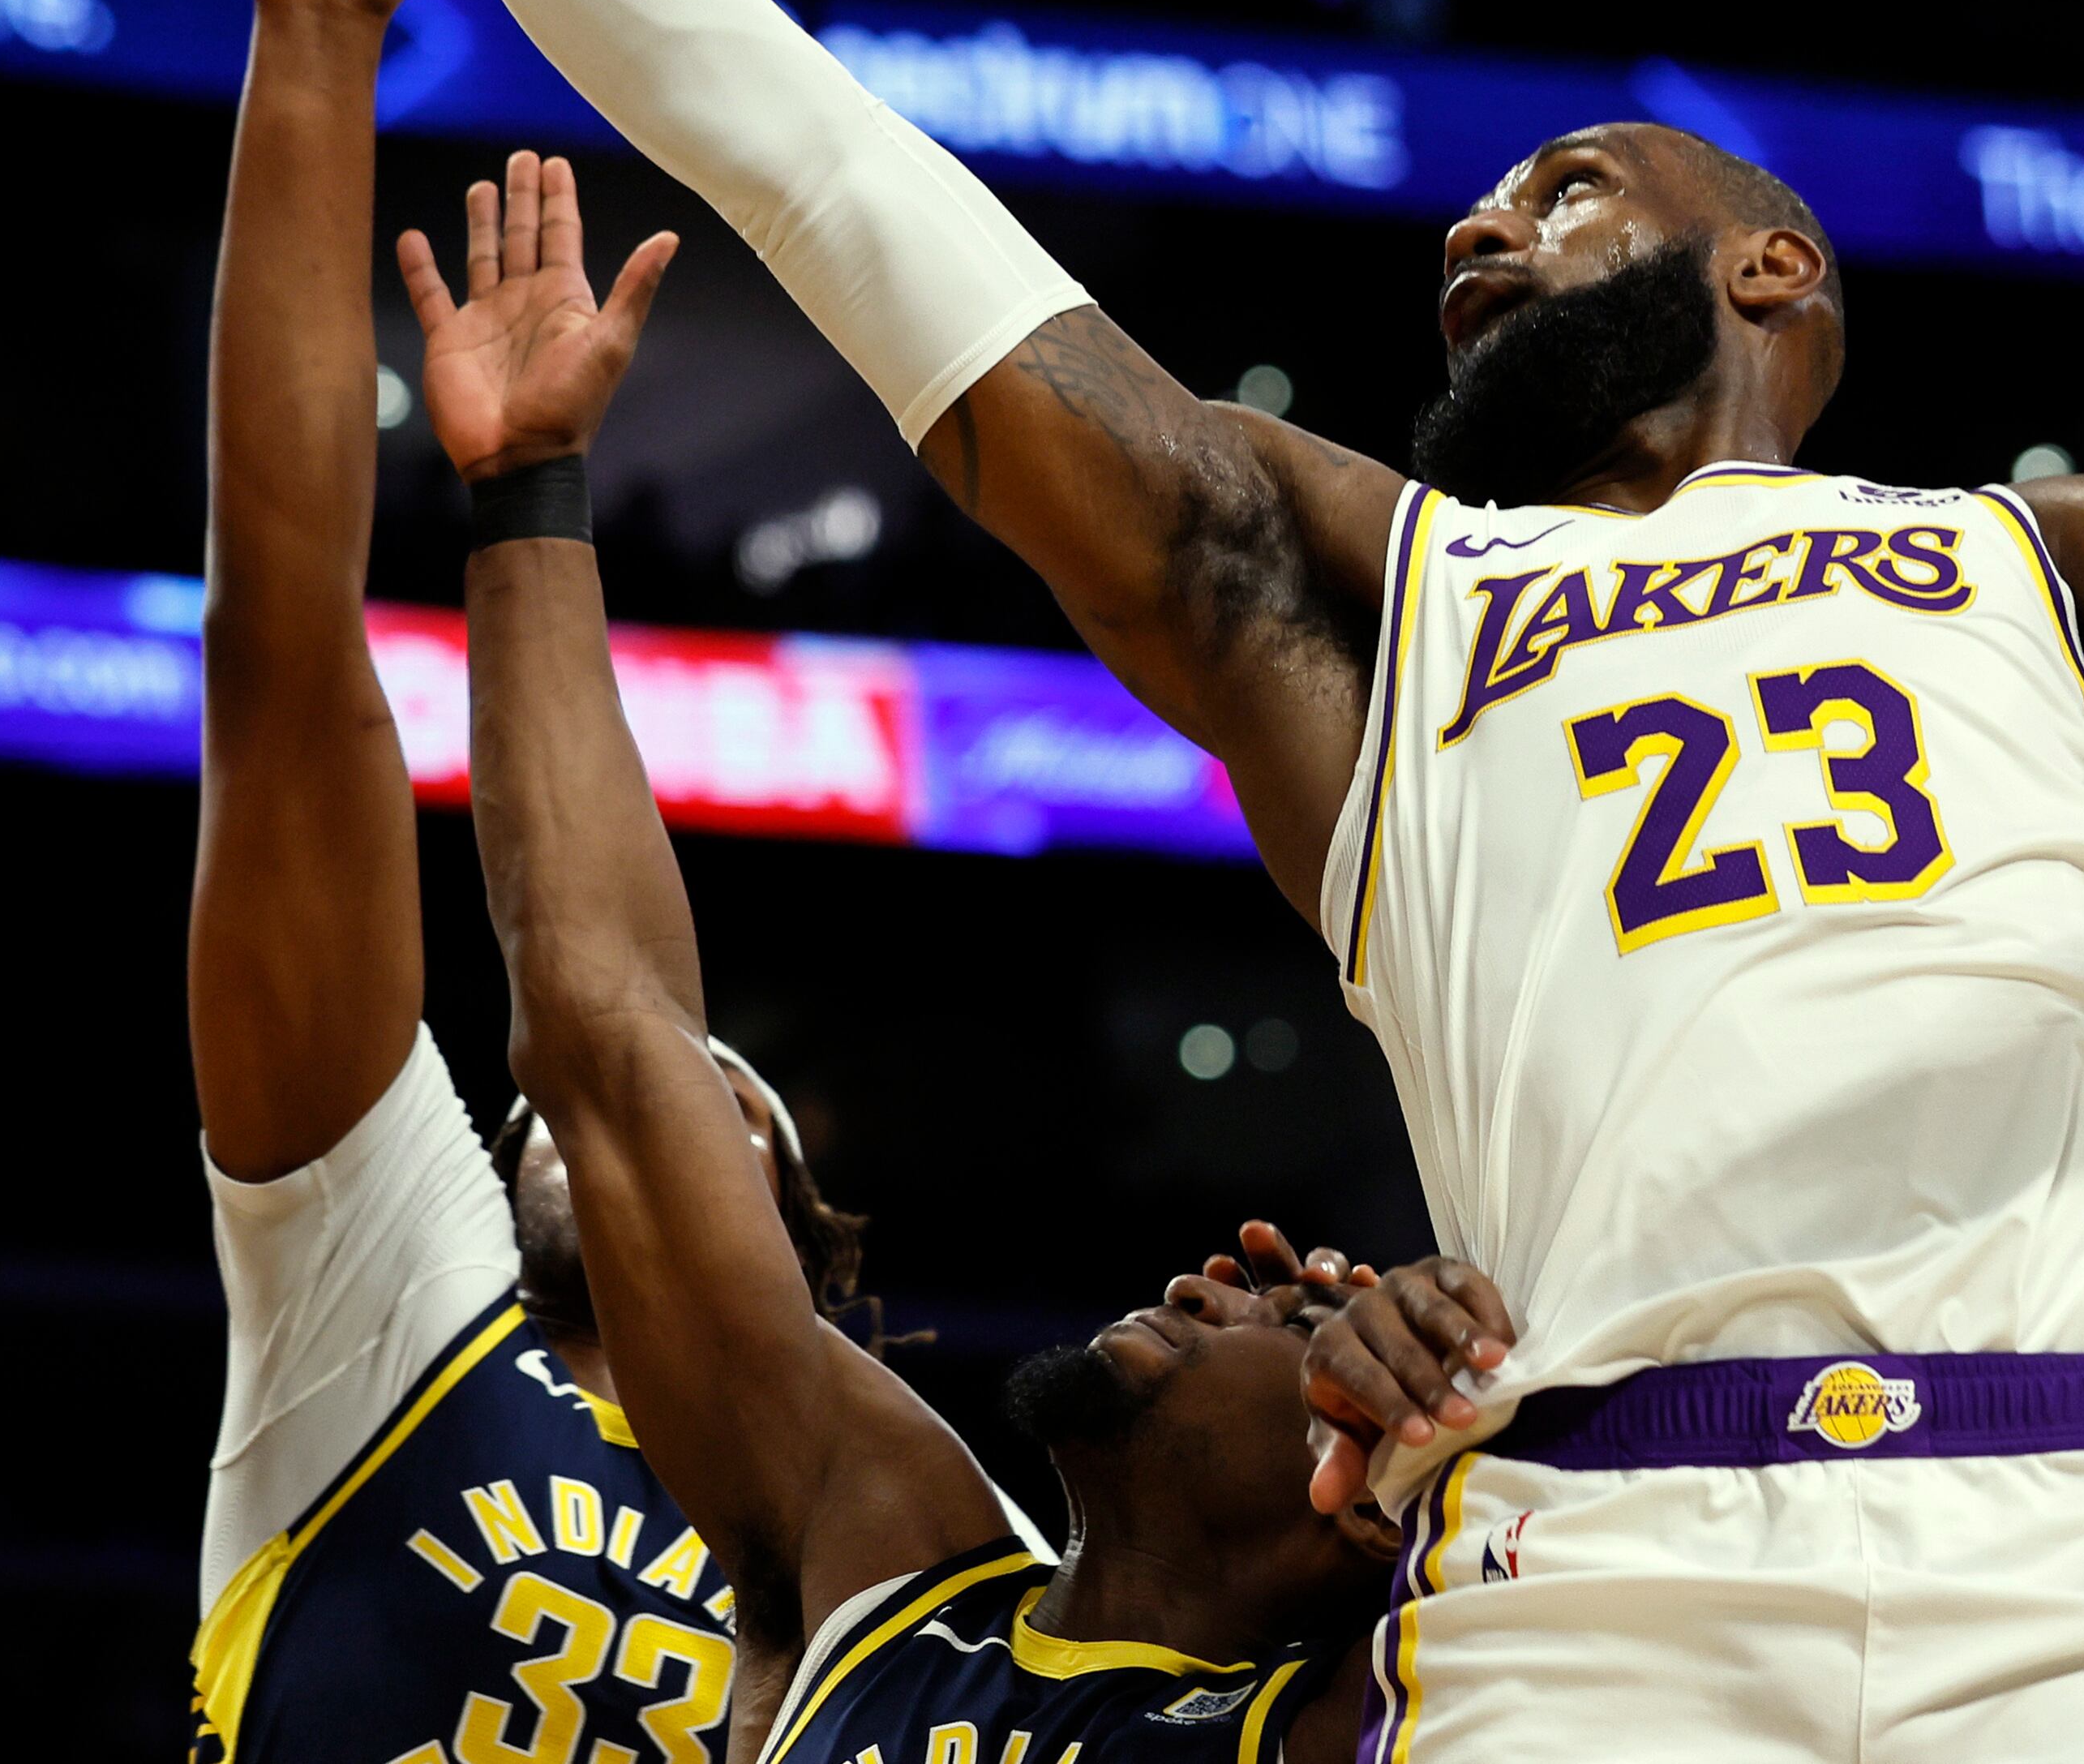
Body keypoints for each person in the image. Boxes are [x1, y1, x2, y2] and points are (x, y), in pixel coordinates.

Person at [0, 0, 2084, 1755]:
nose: (1478, 229)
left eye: (1562, 185)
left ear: (1779, 266)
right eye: (1481, 211)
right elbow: (816, 158)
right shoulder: (1368, 605)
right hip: (1604, 1566)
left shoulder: (2052, 550)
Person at [418, 147, 1520, 1762]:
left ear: (1360, 1496)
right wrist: (528, 490)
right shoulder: (882, 1550)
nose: (1243, 1261)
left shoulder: (1365, 1719)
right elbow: (611, 1034)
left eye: (1303, 1315)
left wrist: (1466, 1452)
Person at [165, 0, 896, 1764]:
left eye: (708, 1108)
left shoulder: (917, 1535)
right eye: (550, 1106)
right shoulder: (387, 1293)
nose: (587, 1110)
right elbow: (284, 667)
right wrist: (319, 34)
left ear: (810, 1258)